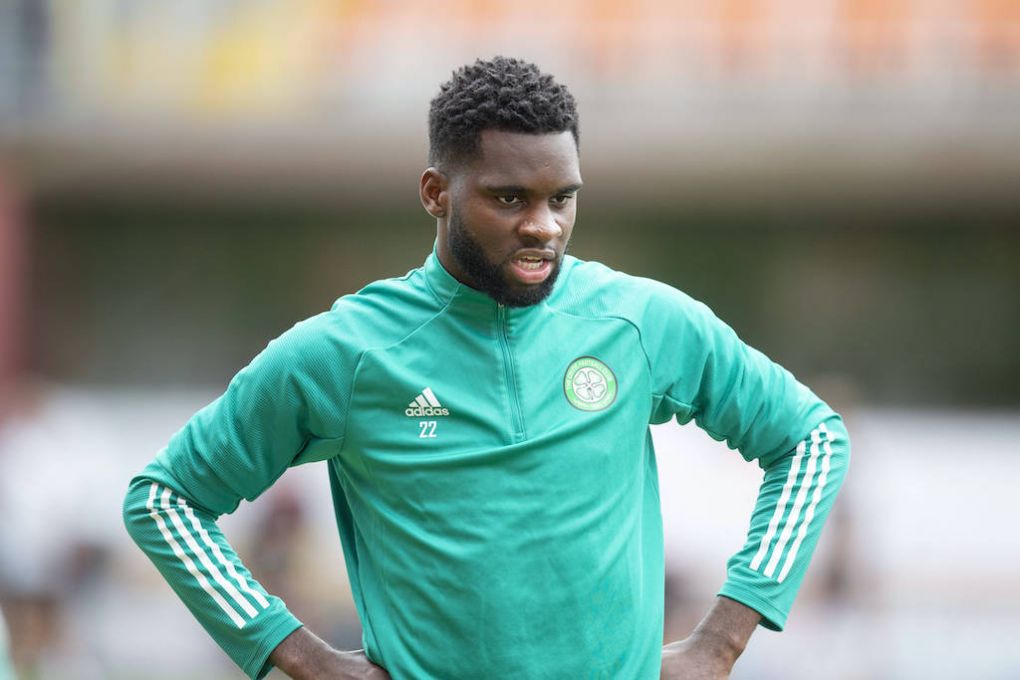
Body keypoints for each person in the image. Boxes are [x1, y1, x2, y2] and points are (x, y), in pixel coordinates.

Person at [123, 56, 849, 680]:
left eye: (562, 198)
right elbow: (165, 500)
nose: (544, 225)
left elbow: (812, 439)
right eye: (510, 198)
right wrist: (295, 652)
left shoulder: (638, 322)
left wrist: (724, 638)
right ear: (437, 193)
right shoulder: (347, 354)